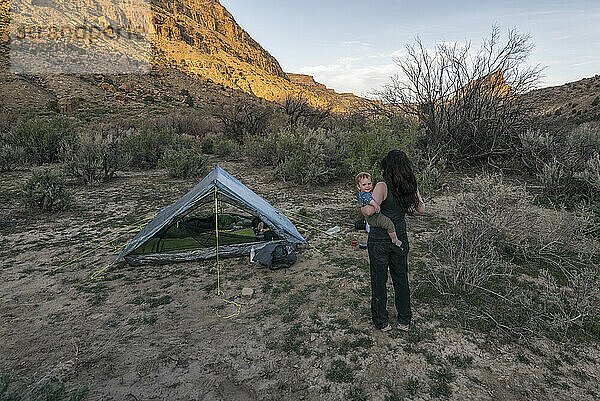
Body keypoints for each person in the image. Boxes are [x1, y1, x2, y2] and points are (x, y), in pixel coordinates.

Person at [361, 150, 425, 332]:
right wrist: (415, 190)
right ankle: (404, 319)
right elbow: (421, 209)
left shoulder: (382, 186)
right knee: (401, 277)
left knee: (379, 279)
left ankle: (382, 321)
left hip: (380, 239)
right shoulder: (409, 185)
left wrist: (364, 204)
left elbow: (370, 211)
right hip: (400, 237)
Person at [355, 172, 403, 248]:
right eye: (364, 185)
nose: (367, 186)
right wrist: (376, 205)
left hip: (371, 217)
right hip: (373, 217)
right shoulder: (365, 194)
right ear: (358, 186)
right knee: (388, 223)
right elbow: (370, 200)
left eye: (369, 184)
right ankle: (394, 239)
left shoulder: (366, 192)